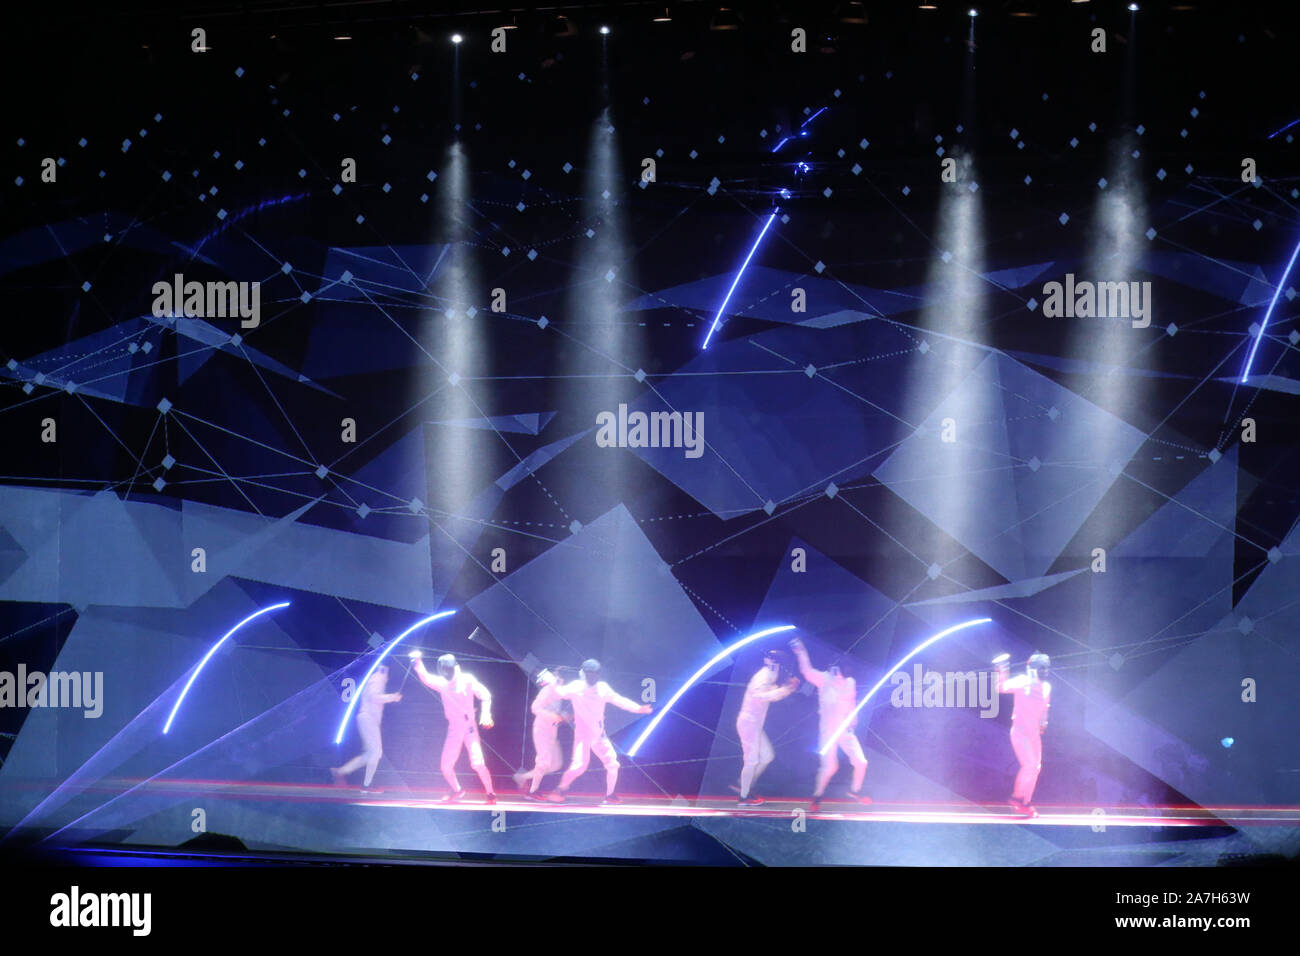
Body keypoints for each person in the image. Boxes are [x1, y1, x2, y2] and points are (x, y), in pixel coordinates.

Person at [543, 659, 651, 806]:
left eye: (594, 674)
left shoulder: (603, 688)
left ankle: (610, 795)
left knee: (613, 764)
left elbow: (619, 700)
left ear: (598, 675)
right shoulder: (576, 687)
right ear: (583, 673)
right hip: (583, 735)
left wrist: (638, 709)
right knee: (579, 766)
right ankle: (560, 789)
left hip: (599, 735)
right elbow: (559, 692)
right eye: (588, 673)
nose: (591, 677)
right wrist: (550, 681)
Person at [789, 637, 870, 811]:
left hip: (845, 729)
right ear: (833, 669)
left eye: (844, 672)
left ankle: (854, 791)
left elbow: (851, 702)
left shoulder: (850, 682)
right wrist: (801, 651)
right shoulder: (823, 679)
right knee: (830, 766)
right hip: (828, 731)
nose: (841, 675)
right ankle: (816, 797)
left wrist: (853, 719)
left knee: (861, 762)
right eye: (839, 671)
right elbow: (806, 671)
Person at [410, 650, 496, 804]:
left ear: (456, 667)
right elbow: (426, 678)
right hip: (454, 728)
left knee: (478, 763)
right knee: (445, 765)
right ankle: (457, 790)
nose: (446, 674)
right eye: (444, 671)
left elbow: (485, 695)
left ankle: (491, 793)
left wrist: (486, 714)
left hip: (469, 727)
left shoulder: (468, 680)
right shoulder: (442, 683)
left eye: (448, 670)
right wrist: (417, 661)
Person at [734, 649, 800, 807]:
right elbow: (760, 696)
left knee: (767, 756)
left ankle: (745, 785)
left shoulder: (770, 676)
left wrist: (787, 687)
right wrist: (787, 689)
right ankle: (743, 797)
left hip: (755, 724)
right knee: (751, 761)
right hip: (749, 723)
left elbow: (772, 693)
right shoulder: (762, 676)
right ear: (775, 663)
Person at [993, 651, 1051, 817]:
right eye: (1041, 668)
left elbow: (1045, 707)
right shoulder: (1022, 682)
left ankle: (1024, 802)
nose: (1043, 672)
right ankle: (1018, 799)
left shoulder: (1046, 687)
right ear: (1032, 668)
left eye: (1045, 669)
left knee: (1036, 768)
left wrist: (1043, 722)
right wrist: (1001, 668)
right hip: (1020, 732)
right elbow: (1000, 687)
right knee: (1030, 766)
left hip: (1033, 734)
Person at [331, 664, 402, 793]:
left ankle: (342, 772)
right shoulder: (378, 678)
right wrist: (392, 697)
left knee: (371, 754)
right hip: (368, 718)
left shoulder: (375, 678)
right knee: (375, 753)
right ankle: (366, 785)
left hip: (368, 719)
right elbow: (373, 697)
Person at [513, 667, 571, 801]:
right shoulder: (548, 690)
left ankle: (522, 777)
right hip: (541, 729)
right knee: (543, 763)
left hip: (551, 730)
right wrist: (553, 716)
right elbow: (535, 708)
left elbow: (556, 713)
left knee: (556, 764)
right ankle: (532, 791)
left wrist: (562, 717)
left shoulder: (560, 692)